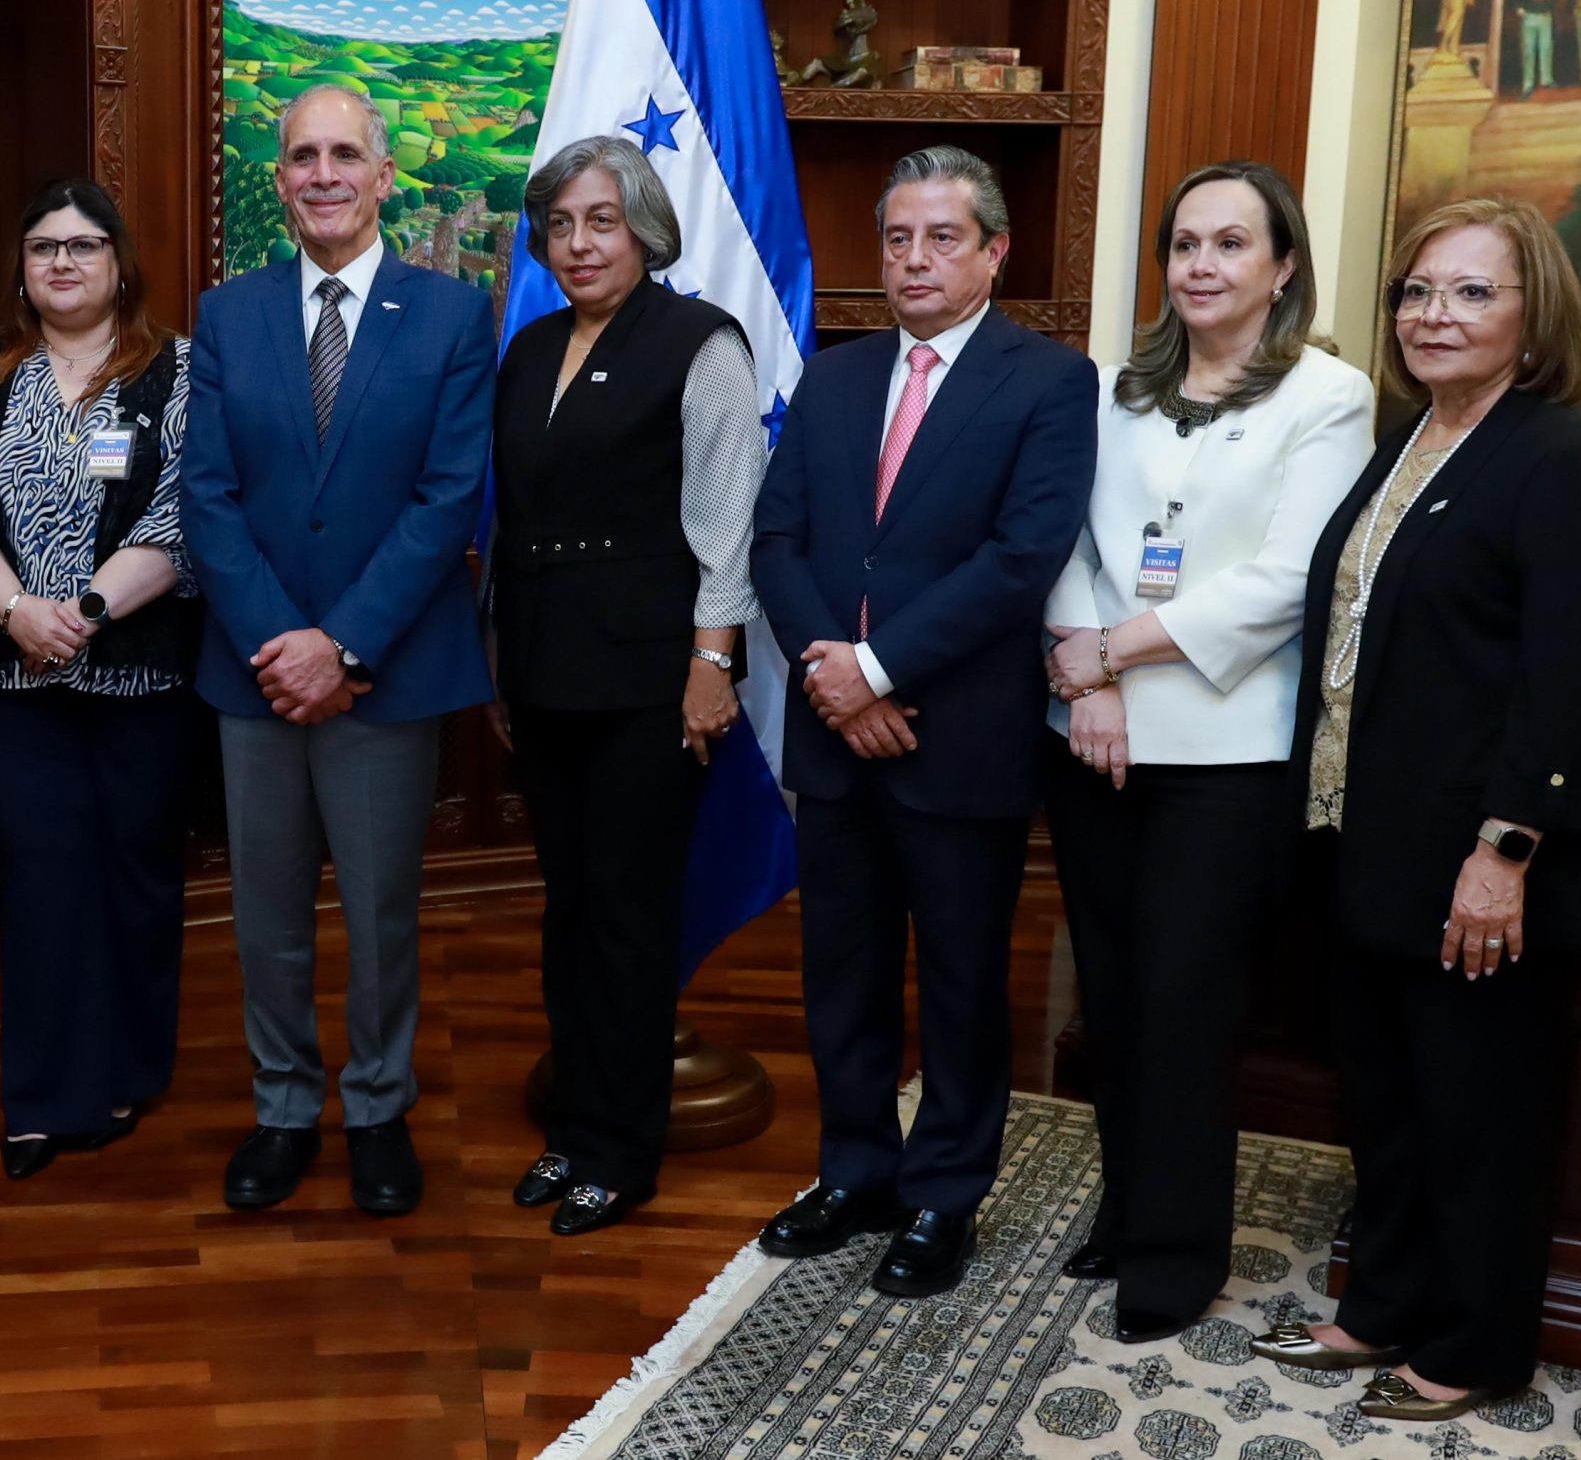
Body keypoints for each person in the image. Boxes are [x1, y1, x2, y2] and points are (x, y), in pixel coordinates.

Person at [1249, 198, 1581, 1418]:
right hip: (1372, 853)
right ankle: (1382, 1307)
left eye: (1471, 291)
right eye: (1418, 291)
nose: (1433, 313)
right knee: (1390, 1106)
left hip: (1485, 867)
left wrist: (1503, 850)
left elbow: (1569, 681)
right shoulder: (1409, 442)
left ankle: (1472, 1345)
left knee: (1481, 1119)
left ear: (1535, 319)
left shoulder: (1563, 457)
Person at [749, 146, 1096, 1296]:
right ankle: (854, 1168)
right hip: (834, 735)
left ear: (995, 250)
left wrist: (882, 668)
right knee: (839, 971)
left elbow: (1019, 561)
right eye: (897, 237)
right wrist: (833, 676)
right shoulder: (834, 377)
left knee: (956, 980)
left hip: (960, 739)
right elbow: (778, 542)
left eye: (942, 236)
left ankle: (944, 1193)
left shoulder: (1047, 381)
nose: (914, 258)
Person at [1038, 162, 1373, 1339]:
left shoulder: (1328, 397)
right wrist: (1087, 674)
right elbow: (1065, 532)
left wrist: (1116, 652)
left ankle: (1175, 1258)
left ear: (1282, 267)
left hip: (1224, 751)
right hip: (1091, 732)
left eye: (1231, 244)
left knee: (1185, 1006)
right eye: (1184, 244)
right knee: (1114, 1001)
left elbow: (1286, 582)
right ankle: (1127, 1209)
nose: (1201, 266)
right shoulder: (1113, 388)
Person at [179, 85, 496, 1218]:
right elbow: (206, 497)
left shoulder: (452, 316)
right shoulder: (226, 315)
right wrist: (282, 644)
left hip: (388, 670)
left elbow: (448, 496)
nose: (322, 173)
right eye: (302, 156)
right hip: (254, 670)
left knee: (380, 910)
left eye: (344, 155)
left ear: (383, 175)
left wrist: (344, 644)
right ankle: (280, 1105)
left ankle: (375, 1106)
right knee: (263, 911)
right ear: (279, 179)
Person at [488, 135, 766, 1237]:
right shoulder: (530, 348)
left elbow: (725, 519)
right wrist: (504, 664)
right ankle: (572, 1130)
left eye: (600, 219)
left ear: (644, 227)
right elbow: (513, 523)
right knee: (570, 912)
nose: (578, 242)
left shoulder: (701, 342)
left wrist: (711, 666)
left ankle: (621, 1148)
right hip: (548, 674)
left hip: (653, 682)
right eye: (559, 223)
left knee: (630, 918)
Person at [0, 180, 198, 1179]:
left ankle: (125, 1070)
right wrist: (17, 611)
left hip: (139, 675)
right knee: (43, 875)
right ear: (21, 269)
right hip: (8, 671)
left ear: (120, 262)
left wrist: (87, 612)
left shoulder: (179, 372)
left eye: (82, 245)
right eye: (42, 248)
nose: (62, 263)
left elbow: (184, 512)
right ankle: (43, 1096)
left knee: (135, 875)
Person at [1506, 0, 1560, 98]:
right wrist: (1518, 8)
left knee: (1546, 49)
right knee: (1528, 51)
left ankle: (1546, 80)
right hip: (1529, 17)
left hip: (1545, 16)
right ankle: (1528, 84)